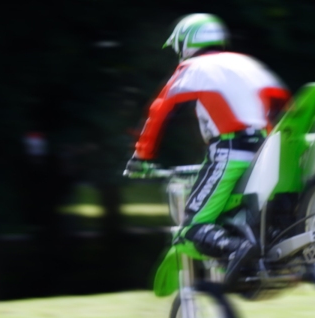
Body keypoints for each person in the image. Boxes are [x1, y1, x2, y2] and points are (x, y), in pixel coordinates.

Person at [125, 13, 291, 283]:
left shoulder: (193, 68)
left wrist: (141, 156)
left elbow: (159, 109)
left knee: (192, 227)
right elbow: (282, 101)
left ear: (186, 44)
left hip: (230, 153)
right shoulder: (246, 63)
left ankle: (236, 249)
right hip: (267, 152)